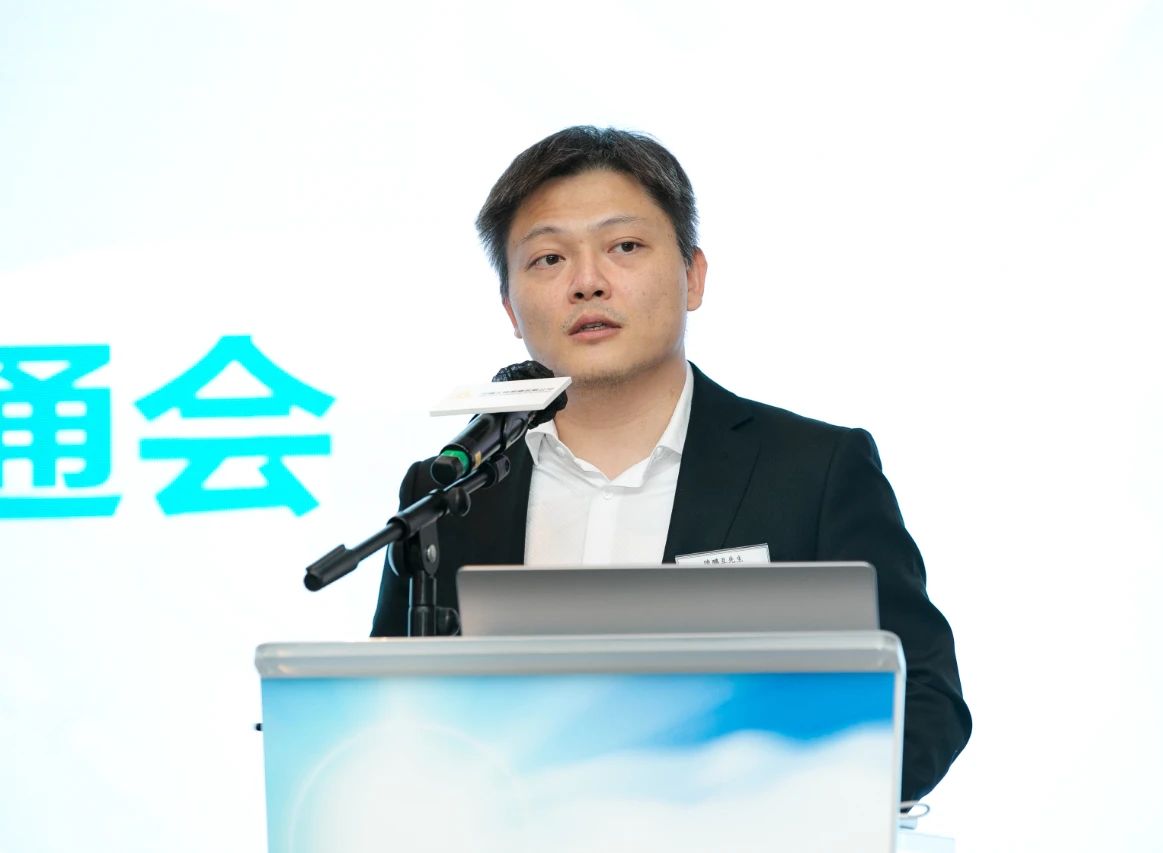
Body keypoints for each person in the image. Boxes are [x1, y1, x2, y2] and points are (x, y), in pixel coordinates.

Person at [372, 126, 971, 800]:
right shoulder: (453, 492)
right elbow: (386, 723)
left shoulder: (815, 471)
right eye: (548, 258)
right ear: (511, 307)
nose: (587, 283)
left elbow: (926, 702)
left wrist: (783, 808)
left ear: (693, 276)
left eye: (624, 247)